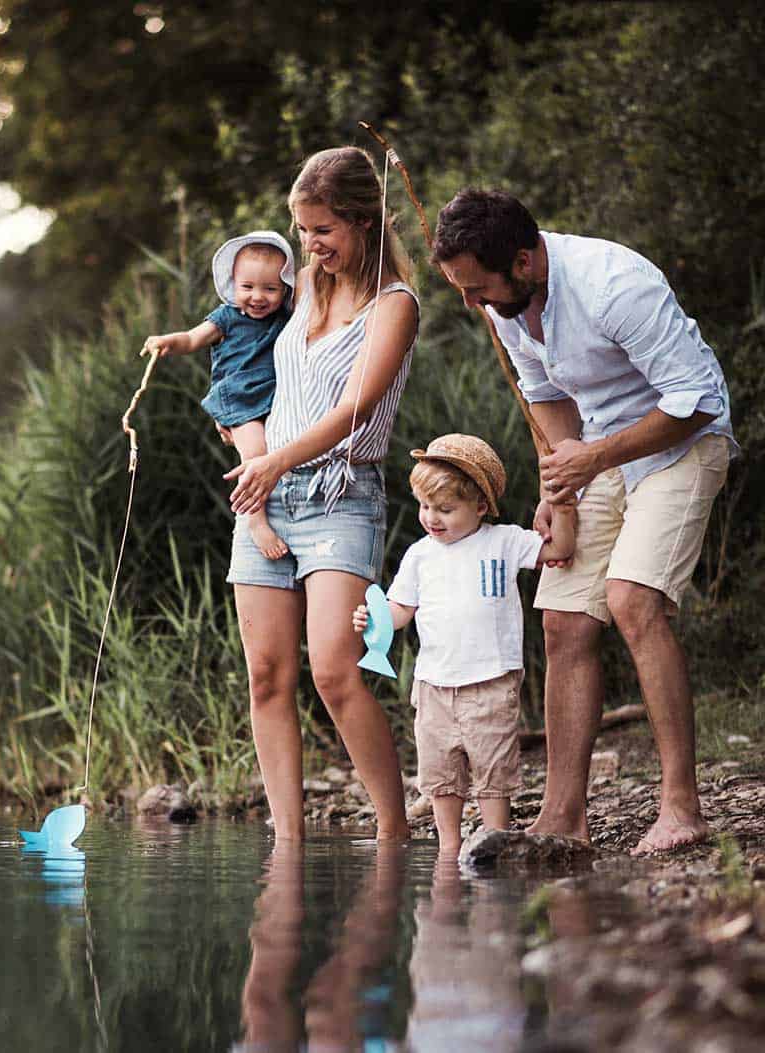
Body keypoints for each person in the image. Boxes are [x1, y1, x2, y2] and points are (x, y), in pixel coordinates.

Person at [431, 188, 738, 854]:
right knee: (564, 617)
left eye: (478, 287)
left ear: (522, 260)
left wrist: (592, 457)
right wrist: (560, 486)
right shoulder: (506, 306)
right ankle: (563, 818)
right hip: (600, 452)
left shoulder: (613, 285)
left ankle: (680, 807)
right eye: (461, 290)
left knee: (631, 600)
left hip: (684, 442)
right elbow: (547, 399)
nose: (471, 303)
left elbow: (696, 400)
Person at [222, 146, 419, 843]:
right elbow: (239, 367)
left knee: (336, 670)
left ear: (364, 221)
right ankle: (288, 842)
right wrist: (254, 454)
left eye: (324, 230)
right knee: (267, 676)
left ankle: (394, 831)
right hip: (267, 495)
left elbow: (357, 411)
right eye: (304, 230)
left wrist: (274, 461)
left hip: (342, 493)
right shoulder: (300, 283)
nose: (310, 245)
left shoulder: (396, 305)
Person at [352, 434, 576, 860]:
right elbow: (399, 609)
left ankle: (494, 839)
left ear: (480, 506)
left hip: (490, 680)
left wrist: (562, 507)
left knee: (493, 768)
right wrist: (372, 619)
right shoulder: (420, 555)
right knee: (440, 773)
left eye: (446, 509)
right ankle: (449, 848)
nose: (432, 518)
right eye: (425, 507)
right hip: (434, 683)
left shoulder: (504, 541)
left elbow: (560, 549)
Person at [144, 232, 297, 559]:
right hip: (239, 399)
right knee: (256, 453)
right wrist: (168, 342)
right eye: (247, 287)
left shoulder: (286, 319)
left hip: (274, 398)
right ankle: (255, 520)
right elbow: (191, 338)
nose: (257, 297)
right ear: (233, 284)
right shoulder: (226, 317)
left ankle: (283, 509)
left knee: (281, 448)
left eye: (270, 289)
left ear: (285, 288)